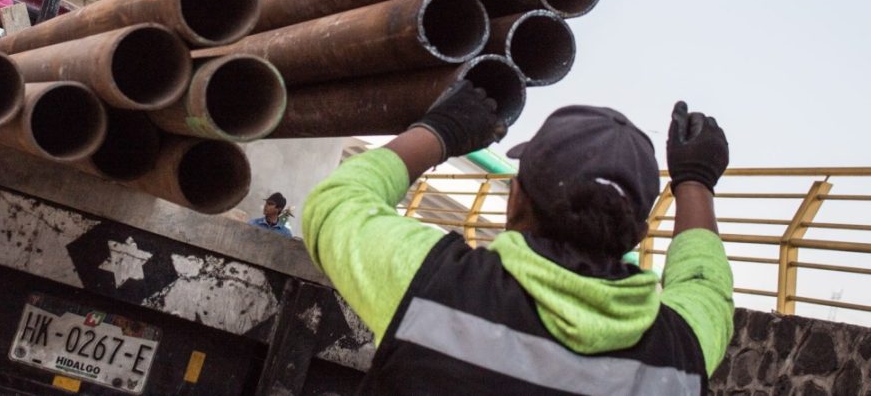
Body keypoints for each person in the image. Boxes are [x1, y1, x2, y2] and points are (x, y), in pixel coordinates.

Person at [304, 83, 733, 395]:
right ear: (638, 235)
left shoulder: (436, 288)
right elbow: (704, 286)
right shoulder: (678, 359)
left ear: (514, 201)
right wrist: (695, 181)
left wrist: (441, 130)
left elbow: (337, 202)